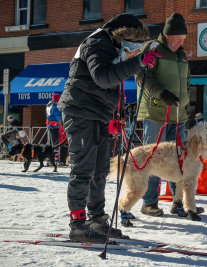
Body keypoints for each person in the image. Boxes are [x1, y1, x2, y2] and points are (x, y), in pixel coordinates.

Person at [57, 13, 160, 243]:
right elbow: (103, 78)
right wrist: (138, 61)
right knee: (83, 169)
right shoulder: (97, 42)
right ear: (122, 35)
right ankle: (77, 224)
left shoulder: (112, 47)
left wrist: (112, 116)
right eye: (133, 41)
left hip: (97, 114)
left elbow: (107, 84)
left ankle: (96, 219)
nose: (134, 47)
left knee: (100, 170)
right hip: (79, 111)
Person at [134, 13, 190, 217]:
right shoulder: (152, 48)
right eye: (178, 38)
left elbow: (187, 83)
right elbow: (140, 76)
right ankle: (149, 203)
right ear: (167, 35)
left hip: (178, 115)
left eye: (184, 39)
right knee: (154, 159)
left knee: (179, 159)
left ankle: (179, 202)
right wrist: (161, 93)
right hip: (156, 113)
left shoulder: (181, 55)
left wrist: (185, 106)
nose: (181, 42)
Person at [46, 94, 62, 160]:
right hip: (54, 126)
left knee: (50, 143)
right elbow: (58, 115)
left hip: (50, 125)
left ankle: (49, 157)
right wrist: (61, 121)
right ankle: (55, 158)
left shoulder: (49, 105)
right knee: (55, 143)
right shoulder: (55, 105)